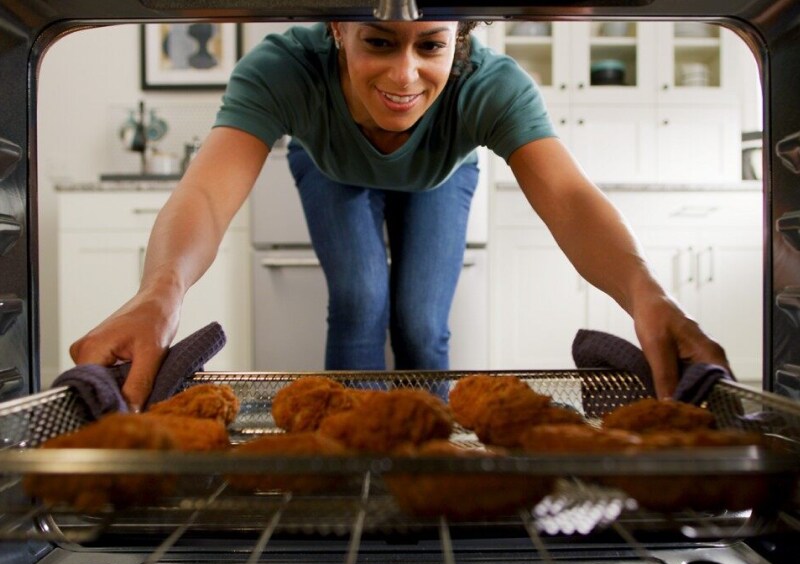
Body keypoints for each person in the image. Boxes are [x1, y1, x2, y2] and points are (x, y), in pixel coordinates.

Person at [70, 20, 729, 411]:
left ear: (459, 42)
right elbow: (207, 193)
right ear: (336, 31)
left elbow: (570, 199)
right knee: (359, 301)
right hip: (330, 169)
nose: (405, 75)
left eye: (430, 47)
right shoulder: (286, 69)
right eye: (379, 43)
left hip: (439, 177)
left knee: (419, 320)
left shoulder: (489, 86)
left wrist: (649, 295)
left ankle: (424, 448)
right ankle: (356, 462)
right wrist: (160, 293)